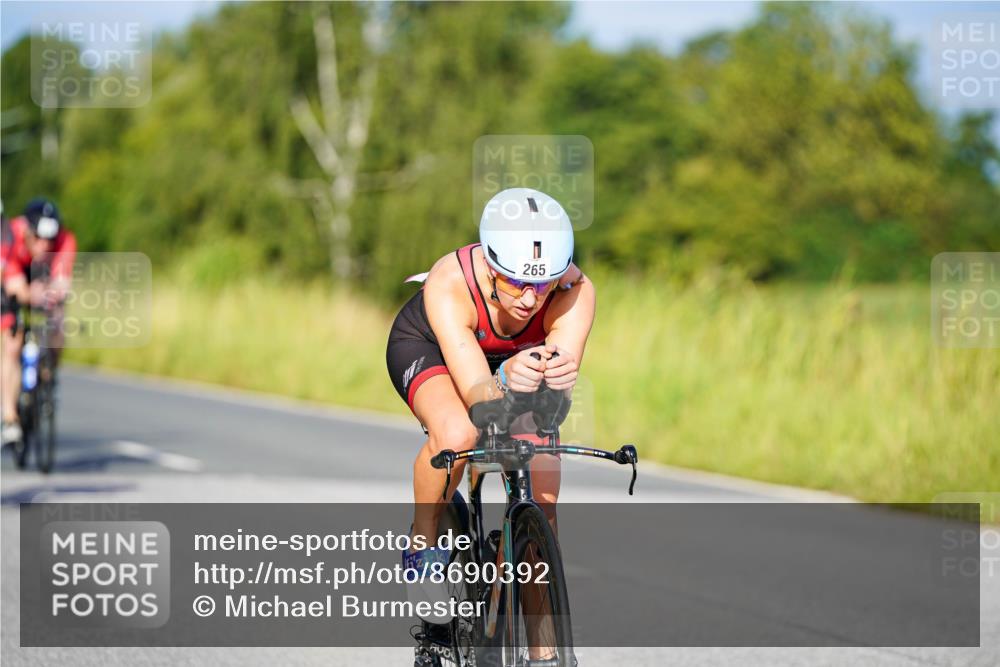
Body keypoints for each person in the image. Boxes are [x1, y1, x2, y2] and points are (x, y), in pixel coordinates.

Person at [386, 187, 596, 574]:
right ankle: (422, 540)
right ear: (490, 265)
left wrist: (558, 383)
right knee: (458, 435)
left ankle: (519, 610)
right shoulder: (451, 281)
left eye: (542, 284)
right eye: (516, 283)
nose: (530, 301)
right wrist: (503, 377)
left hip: (515, 365)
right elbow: (480, 400)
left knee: (543, 496)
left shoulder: (575, 292)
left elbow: (553, 410)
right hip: (433, 350)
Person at [1, 198, 77, 443]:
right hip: (12, 279)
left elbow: (62, 281)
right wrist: (28, 294)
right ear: (27, 232)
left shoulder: (64, 241)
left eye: (50, 239)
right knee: (12, 342)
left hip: (42, 278)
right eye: (39, 238)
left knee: (58, 320)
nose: (45, 245)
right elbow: (15, 286)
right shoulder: (10, 236)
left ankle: (48, 370)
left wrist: (53, 294)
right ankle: (10, 416)